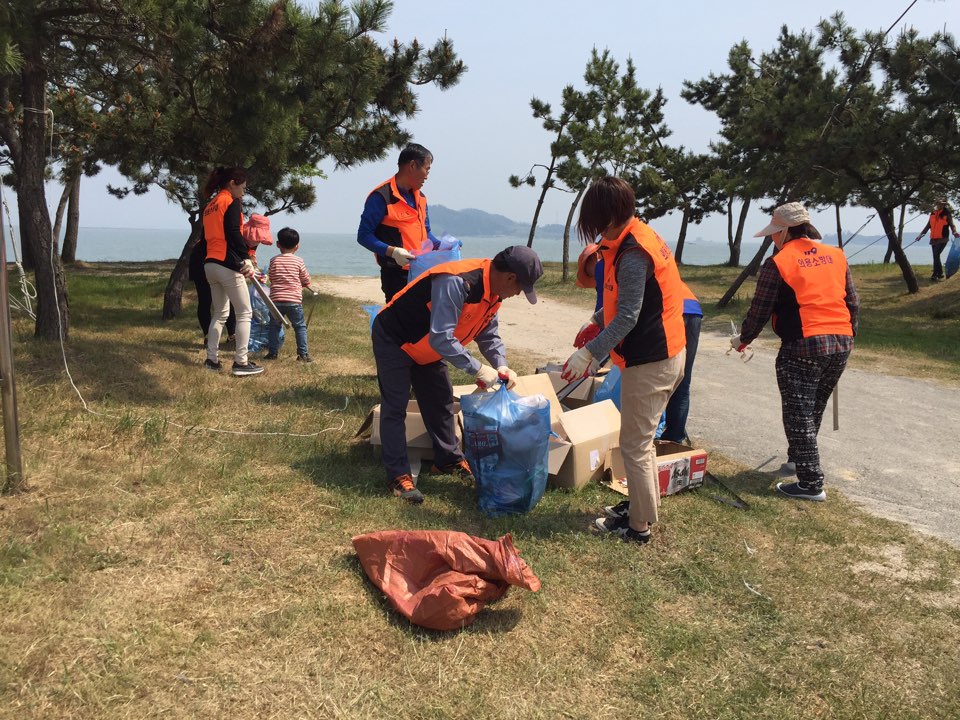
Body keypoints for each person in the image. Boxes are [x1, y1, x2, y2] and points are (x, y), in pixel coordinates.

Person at [562, 177, 686, 545]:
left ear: (608, 216)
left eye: (594, 221)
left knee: (635, 445)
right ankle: (639, 507)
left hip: (652, 361)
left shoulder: (633, 253)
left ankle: (638, 527)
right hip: (664, 353)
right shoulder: (633, 237)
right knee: (639, 441)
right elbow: (626, 300)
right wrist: (597, 319)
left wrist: (590, 352)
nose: (593, 230)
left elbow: (629, 315)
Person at [372, 246, 541, 504]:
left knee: (441, 401)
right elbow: (442, 337)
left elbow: (488, 335)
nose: (518, 294)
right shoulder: (457, 282)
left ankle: (447, 460)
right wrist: (478, 369)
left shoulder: (494, 293)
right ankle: (398, 475)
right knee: (395, 406)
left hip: (427, 347)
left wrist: (501, 364)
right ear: (510, 277)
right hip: (396, 339)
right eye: (521, 288)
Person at [732, 202, 859, 502]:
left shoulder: (778, 262)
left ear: (784, 231)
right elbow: (852, 302)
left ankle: (811, 483)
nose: (772, 238)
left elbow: (760, 309)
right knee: (813, 408)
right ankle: (796, 460)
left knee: (798, 413)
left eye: (774, 233)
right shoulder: (836, 255)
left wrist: (743, 339)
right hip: (840, 342)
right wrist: (848, 334)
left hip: (803, 344)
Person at [573, 246, 703, 445]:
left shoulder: (606, 264)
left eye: (588, 273)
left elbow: (616, 315)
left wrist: (594, 353)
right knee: (681, 379)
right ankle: (675, 440)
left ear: (591, 260)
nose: (593, 277)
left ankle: (647, 436)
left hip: (664, 312)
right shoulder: (633, 254)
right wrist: (596, 324)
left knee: (649, 375)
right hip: (691, 309)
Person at [201, 166, 263, 377]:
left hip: (210, 263)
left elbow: (208, 236)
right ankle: (241, 363)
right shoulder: (230, 201)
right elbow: (234, 232)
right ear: (232, 183)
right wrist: (246, 258)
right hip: (226, 263)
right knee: (245, 312)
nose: (243, 192)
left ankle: (211, 359)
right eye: (243, 188)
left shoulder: (211, 204)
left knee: (220, 313)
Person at [357, 143, 439, 301]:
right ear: (413, 165)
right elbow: (364, 235)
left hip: (422, 272)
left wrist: (442, 245)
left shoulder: (421, 198)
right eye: (427, 169)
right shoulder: (381, 196)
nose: (427, 176)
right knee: (401, 317)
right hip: (396, 275)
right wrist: (393, 252)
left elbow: (426, 231)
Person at [264, 227, 313, 363]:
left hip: (276, 301)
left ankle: (272, 353)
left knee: (274, 326)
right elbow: (305, 278)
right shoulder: (298, 261)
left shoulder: (274, 260)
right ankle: (303, 354)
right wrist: (304, 283)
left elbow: (272, 277)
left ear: (278, 244)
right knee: (300, 326)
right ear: (297, 246)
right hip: (293, 301)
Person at [189, 236, 235, 345]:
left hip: (213, 259)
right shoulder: (228, 235)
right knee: (205, 300)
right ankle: (209, 335)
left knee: (226, 299)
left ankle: (232, 334)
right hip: (203, 261)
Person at [916, 199, 959, 281]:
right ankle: (939, 274)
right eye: (939, 204)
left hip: (943, 238)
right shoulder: (933, 213)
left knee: (936, 255)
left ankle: (935, 274)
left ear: (944, 205)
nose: (940, 205)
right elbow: (928, 226)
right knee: (936, 256)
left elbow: (952, 225)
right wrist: (920, 235)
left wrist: (954, 232)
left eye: (942, 204)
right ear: (937, 204)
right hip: (933, 238)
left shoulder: (946, 214)